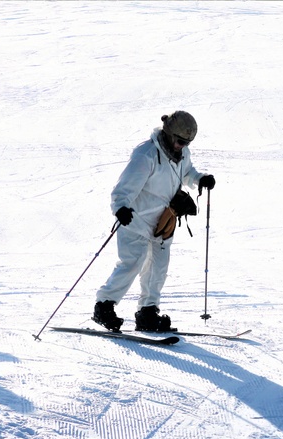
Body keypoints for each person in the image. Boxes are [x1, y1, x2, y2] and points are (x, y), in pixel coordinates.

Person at [92, 111, 216, 332]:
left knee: (158, 269)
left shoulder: (182, 154)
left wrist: (200, 179)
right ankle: (104, 306)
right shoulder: (146, 154)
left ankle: (148, 313)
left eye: (187, 143)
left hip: (163, 223)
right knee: (132, 263)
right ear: (169, 133)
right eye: (180, 141)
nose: (182, 146)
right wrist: (120, 207)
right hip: (136, 219)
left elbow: (187, 173)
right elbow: (124, 186)